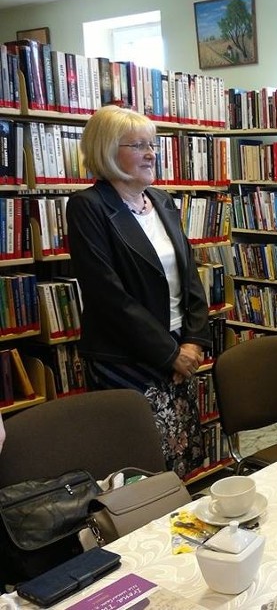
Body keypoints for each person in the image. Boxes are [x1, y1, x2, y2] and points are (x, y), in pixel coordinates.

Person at [66, 104, 211, 479]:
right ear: (107, 151)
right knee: (139, 470)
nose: (151, 153)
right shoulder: (89, 207)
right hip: (126, 359)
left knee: (180, 464)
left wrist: (193, 341)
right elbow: (108, 296)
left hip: (179, 347)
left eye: (153, 143)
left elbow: (189, 274)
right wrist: (170, 355)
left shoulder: (161, 201)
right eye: (137, 145)